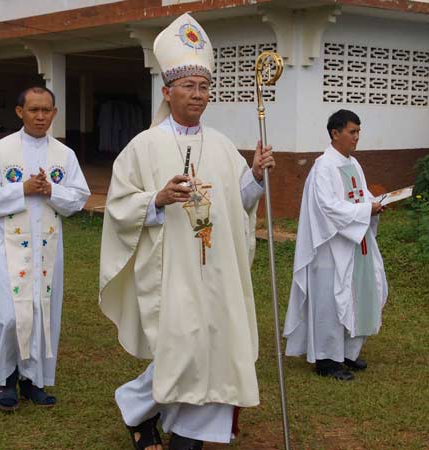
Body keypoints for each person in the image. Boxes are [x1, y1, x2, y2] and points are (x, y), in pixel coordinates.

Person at [98, 13, 274, 450]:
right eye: (189, 86)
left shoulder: (221, 145)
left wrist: (254, 175)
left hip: (217, 268)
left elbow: (238, 202)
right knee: (183, 351)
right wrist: (156, 199)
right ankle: (138, 408)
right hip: (171, 269)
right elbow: (119, 206)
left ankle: (189, 436)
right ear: (167, 92)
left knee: (219, 345)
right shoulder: (144, 146)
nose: (198, 95)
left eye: (204, 86)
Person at [0, 86, 90, 410]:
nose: (40, 116)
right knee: (6, 316)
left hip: (45, 248)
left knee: (40, 312)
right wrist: (21, 189)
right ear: (19, 112)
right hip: (4, 246)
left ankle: (31, 380)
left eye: (46, 110)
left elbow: (79, 197)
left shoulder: (64, 155)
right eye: (34, 110)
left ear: (54, 113)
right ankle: (6, 377)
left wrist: (52, 190)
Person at [283, 109, 388, 381]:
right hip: (329, 247)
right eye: (352, 132)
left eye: (358, 132)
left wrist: (375, 203)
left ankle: (347, 352)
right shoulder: (324, 166)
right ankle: (327, 359)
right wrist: (365, 211)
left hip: (354, 244)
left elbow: (360, 195)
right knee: (329, 301)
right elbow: (327, 207)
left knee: (355, 295)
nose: (356, 137)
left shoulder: (353, 164)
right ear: (335, 133)